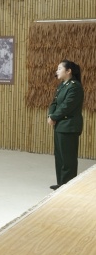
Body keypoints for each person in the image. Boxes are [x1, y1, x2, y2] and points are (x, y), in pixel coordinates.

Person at [48, 60, 84, 190]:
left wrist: (54, 117)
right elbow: (54, 103)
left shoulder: (75, 86)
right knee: (60, 157)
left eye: (59, 68)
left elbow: (67, 106)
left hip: (69, 126)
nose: (56, 71)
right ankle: (61, 183)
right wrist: (50, 115)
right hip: (60, 126)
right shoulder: (63, 85)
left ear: (68, 71)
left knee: (68, 158)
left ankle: (68, 186)